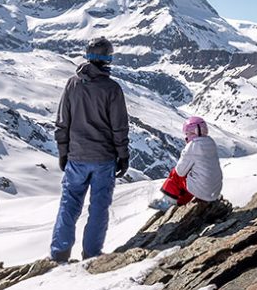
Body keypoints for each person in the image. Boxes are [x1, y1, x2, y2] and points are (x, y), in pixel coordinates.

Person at [50, 37, 130, 262]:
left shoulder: (72, 84)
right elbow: (119, 127)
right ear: (108, 60)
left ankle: (59, 253)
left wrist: (63, 152)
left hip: (76, 157)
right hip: (104, 159)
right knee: (99, 207)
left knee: (69, 204)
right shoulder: (112, 89)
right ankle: (92, 254)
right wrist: (123, 155)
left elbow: (62, 121)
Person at [148, 116, 223, 210]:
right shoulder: (210, 142)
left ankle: (167, 202)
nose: (186, 136)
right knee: (191, 178)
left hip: (203, 191)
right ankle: (179, 201)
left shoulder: (192, 146)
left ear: (192, 132)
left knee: (175, 174)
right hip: (214, 190)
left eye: (187, 133)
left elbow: (180, 171)